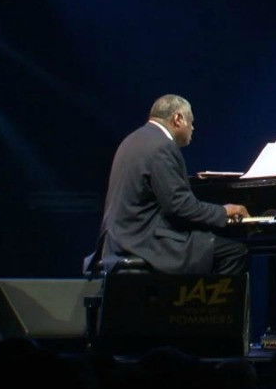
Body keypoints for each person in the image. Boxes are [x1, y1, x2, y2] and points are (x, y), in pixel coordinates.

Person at [95, 94, 249, 276]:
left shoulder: (132, 140)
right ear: (178, 119)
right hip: (144, 241)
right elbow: (179, 206)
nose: (192, 128)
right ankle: (198, 304)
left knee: (208, 244)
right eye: (191, 122)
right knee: (234, 252)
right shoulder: (162, 146)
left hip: (119, 239)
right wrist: (224, 212)